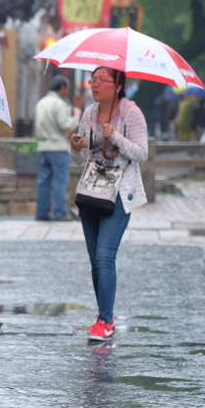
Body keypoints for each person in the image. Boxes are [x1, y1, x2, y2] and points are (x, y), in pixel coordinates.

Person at [68, 66, 149, 342]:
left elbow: (142, 153)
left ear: (117, 86)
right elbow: (81, 158)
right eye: (93, 79)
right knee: (95, 261)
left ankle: (104, 321)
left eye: (102, 80)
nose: (94, 84)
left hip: (119, 193)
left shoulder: (131, 112)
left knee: (105, 257)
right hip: (92, 192)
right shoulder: (90, 113)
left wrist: (114, 136)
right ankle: (105, 315)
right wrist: (75, 148)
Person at [34, 74, 81, 221]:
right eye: (67, 87)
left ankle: (42, 212)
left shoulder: (41, 103)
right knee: (60, 181)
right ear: (62, 87)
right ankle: (60, 212)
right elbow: (65, 125)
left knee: (43, 182)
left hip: (43, 147)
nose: (67, 90)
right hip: (58, 147)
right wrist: (77, 116)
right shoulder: (59, 104)